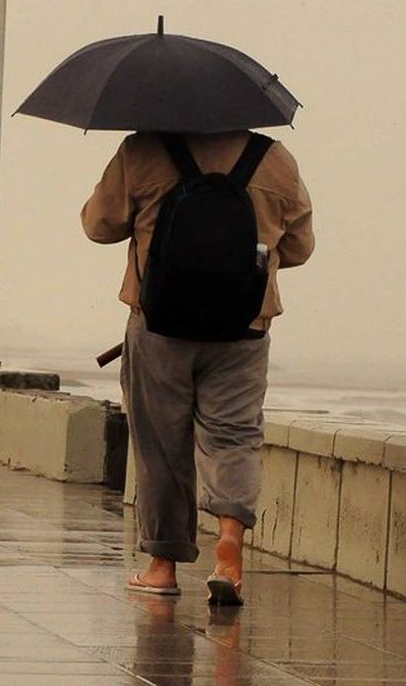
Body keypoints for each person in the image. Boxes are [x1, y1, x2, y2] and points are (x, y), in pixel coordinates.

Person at [82, 129, 314, 604]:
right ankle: (230, 544)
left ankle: (163, 567)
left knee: (161, 443)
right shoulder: (273, 158)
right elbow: (300, 247)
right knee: (234, 436)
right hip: (244, 326)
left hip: (159, 324)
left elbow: (98, 226)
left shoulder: (143, 149)